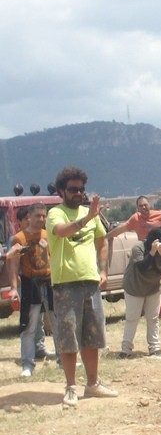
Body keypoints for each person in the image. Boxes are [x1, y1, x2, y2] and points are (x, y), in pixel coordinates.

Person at [46, 166, 118, 407]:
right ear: (61, 191)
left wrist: (103, 270)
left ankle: (93, 384)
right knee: (68, 339)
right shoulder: (55, 213)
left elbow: (102, 242)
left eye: (81, 189)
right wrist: (87, 217)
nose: (78, 193)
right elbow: (62, 231)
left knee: (92, 336)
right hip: (66, 284)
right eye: (73, 189)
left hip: (90, 283)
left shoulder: (91, 214)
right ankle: (70, 386)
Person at [106, 196, 161, 318]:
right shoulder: (135, 219)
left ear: (149, 204)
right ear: (137, 208)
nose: (143, 207)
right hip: (145, 254)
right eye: (140, 206)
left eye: (145, 205)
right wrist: (107, 237)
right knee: (151, 283)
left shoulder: (160, 215)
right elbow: (123, 228)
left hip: (160, 253)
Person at [7, 203, 55, 376]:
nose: (41, 219)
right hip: (30, 283)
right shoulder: (19, 238)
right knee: (29, 325)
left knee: (57, 323)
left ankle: (64, 360)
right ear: (29, 216)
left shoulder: (48, 234)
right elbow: (13, 264)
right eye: (37, 216)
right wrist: (13, 288)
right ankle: (27, 363)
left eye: (44, 216)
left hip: (49, 281)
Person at [118, 227, 161, 359]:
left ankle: (155, 348)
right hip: (134, 287)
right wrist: (153, 252)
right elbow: (142, 267)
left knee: (153, 319)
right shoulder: (138, 248)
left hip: (153, 287)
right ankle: (126, 349)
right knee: (132, 318)